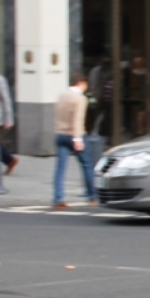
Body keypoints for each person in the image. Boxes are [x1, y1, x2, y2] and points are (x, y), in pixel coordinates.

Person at [53, 72, 98, 210]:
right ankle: (92, 196)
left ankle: (58, 198)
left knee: (60, 168)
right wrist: (78, 139)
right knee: (86, 165)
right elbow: (77, 119)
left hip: (60, 134)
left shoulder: (61, 95)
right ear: (81, 83)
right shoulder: (80, 98)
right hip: (75, 134)